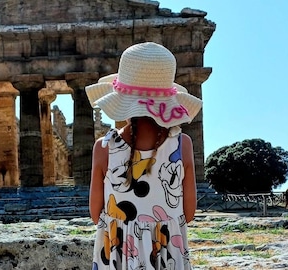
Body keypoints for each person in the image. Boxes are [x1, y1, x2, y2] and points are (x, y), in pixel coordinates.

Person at [85, 42, 202, 270]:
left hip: (118, 254)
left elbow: (94, 212)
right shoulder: (182, 145)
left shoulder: (104, 148)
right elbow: (188, 213)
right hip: (168, 253)